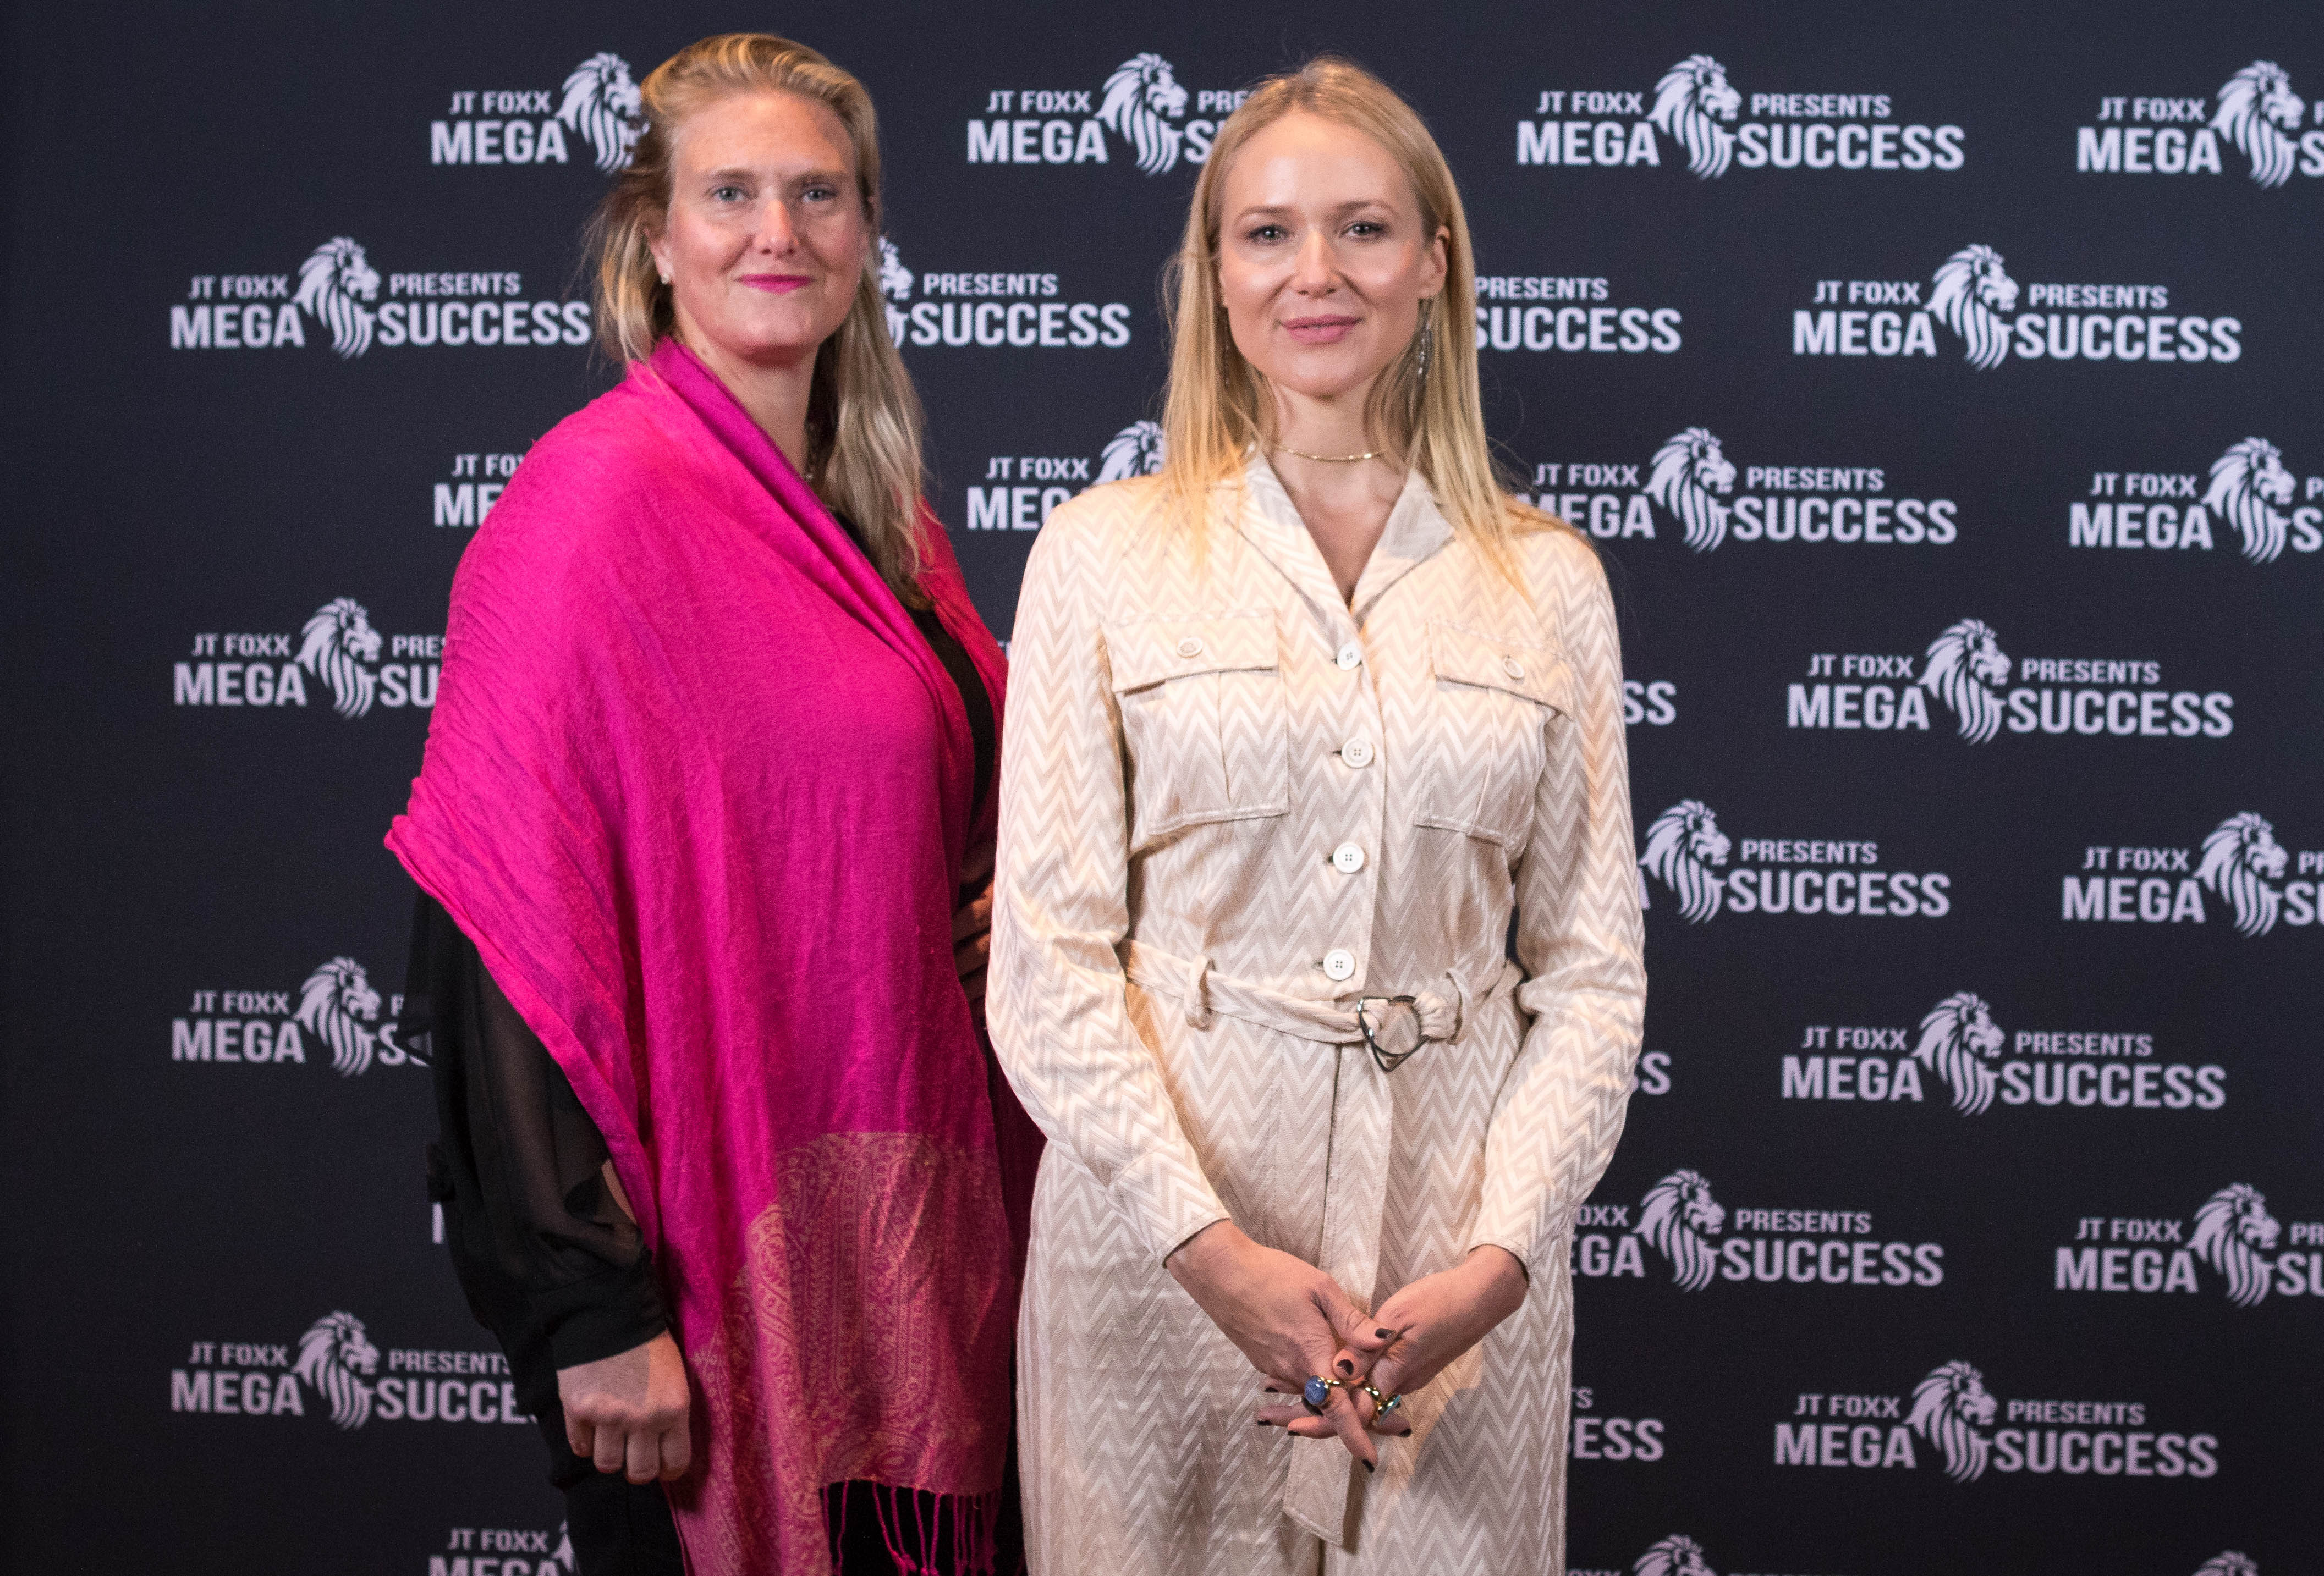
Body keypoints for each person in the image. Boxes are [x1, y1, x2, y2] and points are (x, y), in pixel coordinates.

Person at [387, 34, 1035, 1576]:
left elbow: (943, 825)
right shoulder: (589, 504)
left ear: (867, 236)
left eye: (819, 194)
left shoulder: (891, 525)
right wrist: (587, 1307)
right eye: (730, 193)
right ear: (655, 238)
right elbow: (497, 929)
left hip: (920, 1256)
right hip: (699, 1290)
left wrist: (1014, 903)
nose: (777, 232)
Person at [988, 57, 1645, 1575]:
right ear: (1216, 277)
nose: (1317, 272)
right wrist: (1210, 1252)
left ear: (1434, 264)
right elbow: (1050, 961)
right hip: (1158, 1263)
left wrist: (1500, 1263)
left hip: (1447, 1281)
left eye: (1363, 228)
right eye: (1269, 233)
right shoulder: (1099, 555)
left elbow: (1592, 974)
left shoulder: (1549, 583)